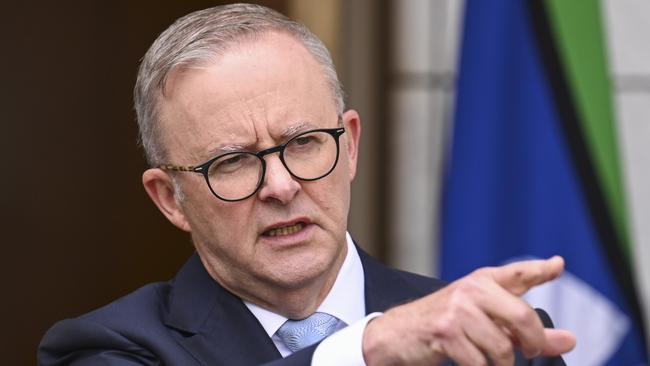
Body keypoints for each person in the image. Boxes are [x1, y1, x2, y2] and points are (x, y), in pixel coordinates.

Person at [38, 3, 576, 365]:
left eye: (303, 143)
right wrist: (364, 351)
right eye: (232, 162)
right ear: (169, 198)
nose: (280, 185)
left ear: (350, 146)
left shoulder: (494, 338)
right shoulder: (108, 349)